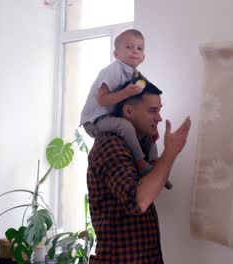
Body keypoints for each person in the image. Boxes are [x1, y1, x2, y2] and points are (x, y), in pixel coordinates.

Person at [86, 82, 191, 263]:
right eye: (152, 110)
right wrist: (170, 152)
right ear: (128, 111)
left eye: (159, 110)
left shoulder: (139, 147)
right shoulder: (110, 145)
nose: (159, 118)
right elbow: (139, 201)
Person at [80, 29, 172, 188]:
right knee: (125, 126)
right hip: (95, 121)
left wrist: (152, 129)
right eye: (129, 47)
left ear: (143, 57)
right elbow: (102, 99)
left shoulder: (137, 77)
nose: (134, 51)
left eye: (139, 48)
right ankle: (141, 164)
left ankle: (155, 166)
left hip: (112, 117)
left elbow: (148, 95)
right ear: (116, 54)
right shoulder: (113, 70)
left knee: (147, 133)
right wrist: (125, 92)